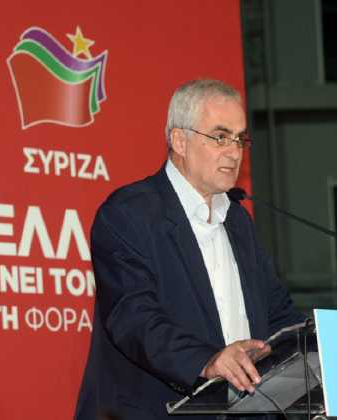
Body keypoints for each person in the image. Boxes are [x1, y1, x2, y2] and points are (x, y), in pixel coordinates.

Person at [74, 79, 306, 420]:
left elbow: (278, 314)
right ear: (179, 140)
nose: (235, 152)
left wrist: (324, 349)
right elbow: (134, 317)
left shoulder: (238, 221)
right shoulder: (129, 213)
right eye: (220, 136)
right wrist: (206, 361)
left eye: (240, 139)